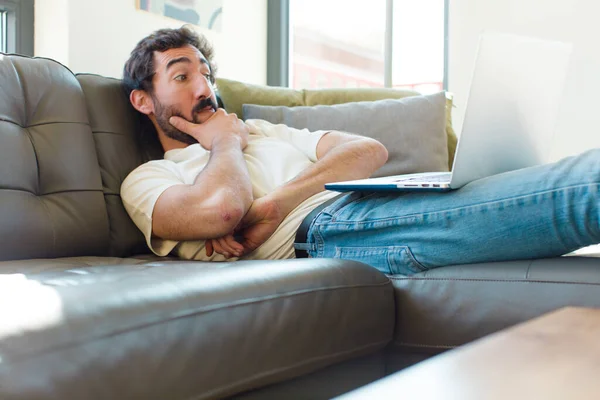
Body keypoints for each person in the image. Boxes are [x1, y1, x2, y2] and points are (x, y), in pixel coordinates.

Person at [121, 27, 600, 275]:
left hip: (361, 202)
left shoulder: (259, 130)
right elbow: (223, 210)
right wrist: (224, 141)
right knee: (576, 193)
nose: (205, 88)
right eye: (183, 76)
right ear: (143, 100)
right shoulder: (149, 180)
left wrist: (272, 204)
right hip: (327, 233)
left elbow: (368, 150)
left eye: (207, 73)